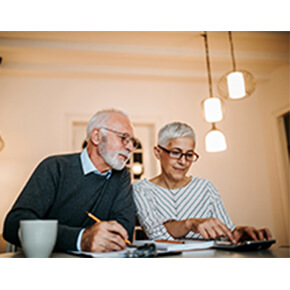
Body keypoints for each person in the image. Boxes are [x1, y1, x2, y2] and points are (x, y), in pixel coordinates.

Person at [3, 109, 137, 252]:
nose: (130, 148)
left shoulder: (122, 176)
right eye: (123, 138)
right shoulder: (55, 167)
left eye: (131, 142)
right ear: (97, 137)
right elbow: (14, 225)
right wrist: (80, 239)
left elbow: (124, 232)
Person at [133, 122, 272, 243]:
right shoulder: (141, 189)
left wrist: (239, 232)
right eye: (176, 152)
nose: (183, 162)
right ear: (157, 152)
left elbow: (226, 234)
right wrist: (190, 224)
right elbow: (157, 235)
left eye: (189, 155)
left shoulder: (206, 187)